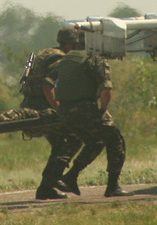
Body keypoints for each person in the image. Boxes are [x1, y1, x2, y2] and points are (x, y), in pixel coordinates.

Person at [54, 37, 133, 198]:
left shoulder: (67, 59)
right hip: (84, 110)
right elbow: (106, 90)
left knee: (95, 142)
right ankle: (113, 186)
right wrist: (103, 110)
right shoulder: (95, 59)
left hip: (65, 111)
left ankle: (70, 176)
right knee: (115, 139)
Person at [19, 28, 83, 200]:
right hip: (43, 109)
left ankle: (47, 185)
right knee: (75, 137)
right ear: (71, 44)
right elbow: (48, 86)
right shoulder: (59, 58)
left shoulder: (47, 53)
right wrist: (60, 110)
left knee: (58, 144)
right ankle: (52, 181)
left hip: (32, 105)